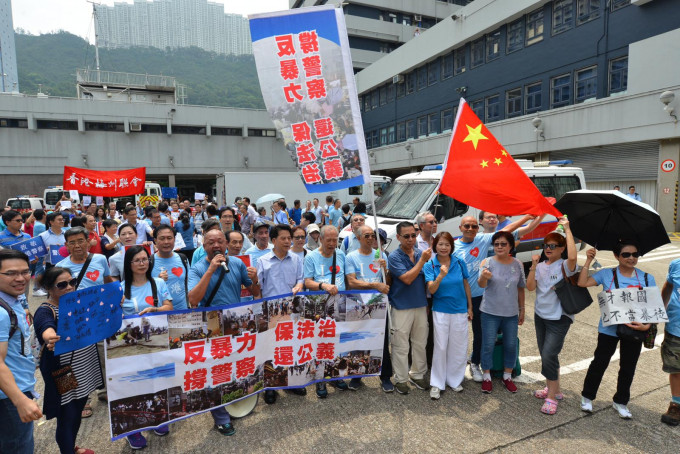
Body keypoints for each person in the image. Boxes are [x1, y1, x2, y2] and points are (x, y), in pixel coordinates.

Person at [454, 214, 543, 383]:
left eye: (473, 226)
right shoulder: (455, 246)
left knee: (481, 334)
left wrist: (531, 217)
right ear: (460, 228)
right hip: (460, 296)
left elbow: (507, 231)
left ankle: (475, 363)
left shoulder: (482, 239)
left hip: (480, 297)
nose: (471, 229)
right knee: (459, 333)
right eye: (467, 226)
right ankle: (456, 364)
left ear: (478, 227)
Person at [188, 229, 260, 437]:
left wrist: (254, 280)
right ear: (204, 247)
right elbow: (193, 300)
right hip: (210, 328)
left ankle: (235, 403)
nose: (216, 245)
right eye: (211, 242)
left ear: (227, 244)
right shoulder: (197, 269)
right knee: (215, 372)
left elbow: (255, 292)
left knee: (236, 368)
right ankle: (221, 418)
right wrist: (210, 270)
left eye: (220, 241)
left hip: (236, 325)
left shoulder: (236, 264)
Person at [578, 241, 655, 419]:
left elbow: (652, 306)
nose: (631, 258)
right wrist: (588, 261)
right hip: (608, 329)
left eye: (635, 254)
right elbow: (582, 283)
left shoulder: (646, 278)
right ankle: (587, 396)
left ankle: (621, 401)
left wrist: (647, 325)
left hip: (635, 329)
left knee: (628, 366)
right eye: (626, 254)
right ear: (616, 256)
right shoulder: (607, 274)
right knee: (600, 362)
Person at [34, 267, 102, 454]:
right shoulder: (46, 310)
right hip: (65, 373)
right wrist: (50, 337)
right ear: (48, 287)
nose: (69, 287)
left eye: (72, 282)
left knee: (78, 411)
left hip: (85, 367)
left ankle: (71, 447)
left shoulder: (77, 303)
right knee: (68, 417)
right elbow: (44, 326)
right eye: (62, 285)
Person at [120, 245, 173, 449]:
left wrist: (156, 309)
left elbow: (169, 307)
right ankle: (133, 428)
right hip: (129, 347)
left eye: (145, 259)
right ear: (129, 264)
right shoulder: (120, 288)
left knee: (158, 380)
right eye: (137, 260)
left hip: (155, 344)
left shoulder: (158, 283)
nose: (142, 264)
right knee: (131, 385)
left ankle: (157, 417)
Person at [525, 218, 577, 414]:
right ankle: (555, 388)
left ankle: (551, 397)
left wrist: (568, 229)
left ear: (562, 248)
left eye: (554, 246)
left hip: (560, 317)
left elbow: (573, 257)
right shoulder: (540, 266)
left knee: (548, 354)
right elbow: (530, 287)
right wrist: (533, 265)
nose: (549, 248)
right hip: (541, 315)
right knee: (547, 354)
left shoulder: (565, 265)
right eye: (546, 245)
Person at [256, 225, 305, 404]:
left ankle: (291, 382)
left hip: (292, 311)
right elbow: (258, 288)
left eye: (289, 238)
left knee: (291, 347)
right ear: (273, 240)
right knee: (270, 350)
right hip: (271, 313)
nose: (287, 241)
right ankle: (271, 386)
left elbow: (301, 278)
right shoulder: (263, 261)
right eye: (283, 238)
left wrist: (299, 286)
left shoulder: (297, 259)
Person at [0, 250, 42, 454]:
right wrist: (20, 400)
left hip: (15, 388)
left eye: (25, 272)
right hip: (9, 396)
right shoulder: (1, 312)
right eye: (10, 273)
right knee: (18, 447)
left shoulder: (12, 300)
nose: (21, 278)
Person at [424, 232, 472, 400]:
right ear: (435, 246)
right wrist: (441, 276)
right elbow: (431, 290)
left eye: (447, 244)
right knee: (441, 347)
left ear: (451, 246)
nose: (444, 247)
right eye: (440, 244)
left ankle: (454, 379)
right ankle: (437, 383)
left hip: (460, 310)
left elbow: (466, 284)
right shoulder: (430, 264)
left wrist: (470, 307)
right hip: (441, 310)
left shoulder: (459, 262)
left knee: (458, 347)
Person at [303, 225, 350, 397]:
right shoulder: (311, 257)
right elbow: (307, 282)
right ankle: (320, 379)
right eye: (328, 240)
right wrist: (323, 286)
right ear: (320, 239)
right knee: (320, 343)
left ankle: (335, 374)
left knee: (337, 342)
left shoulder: (341, 255)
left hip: (340, 305)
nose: (332, 243)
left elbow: (347, 278)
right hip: (319, 306)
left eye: (335, 240)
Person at [477, 231, 526, 394]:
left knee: (511, 345)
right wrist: (484, 276)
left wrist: (522, 309)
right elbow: (481, 285)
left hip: (511, 313)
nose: (499, 247)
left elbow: (520, 287)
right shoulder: (487, 262)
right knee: (488, 344)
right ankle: (486, 376)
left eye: (503, 244)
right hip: (490, 311)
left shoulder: (517, 264)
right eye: (496, 244)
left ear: (511, 246)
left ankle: (507, 375)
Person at [387, 221, 431, 395]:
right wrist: (421, 261)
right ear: (398, 237)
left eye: (413, 235)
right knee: (400, 345)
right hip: (401, 307)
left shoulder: (421, 253)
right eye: (406, 236)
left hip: (420, 305)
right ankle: (400, 379)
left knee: (420, 343)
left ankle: (418, 374)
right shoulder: (394, 257)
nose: (411, 239)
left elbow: (427, 279)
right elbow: (407, 278)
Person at [345, 225, 390, 391]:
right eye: (367, 236)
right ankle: (357, 375)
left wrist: (385, 269)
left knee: (382, 340)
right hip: (359, 304)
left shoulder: (381, 255)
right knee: (359, 339)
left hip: (378, 303)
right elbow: (352, 281)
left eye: (373, 236)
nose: (371, 239)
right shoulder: (351, 257)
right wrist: (374, 285)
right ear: (358, 238)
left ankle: (385, 376)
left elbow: (387, 282)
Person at [151, 225, 190, 311]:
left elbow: (189, 283)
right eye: (162, 238)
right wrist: (158, 281)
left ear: (174, 239)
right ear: (155, 241)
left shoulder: (183, 258)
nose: (166, 242)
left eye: (169, 238)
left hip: (183, 311)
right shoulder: (149, 261)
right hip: (160, 313)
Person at [661, 258, 680, 426]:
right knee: (675, 368)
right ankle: (676, 404)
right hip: (675, 326)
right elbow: (668, 287)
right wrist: (657, 311)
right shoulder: (676, 264)